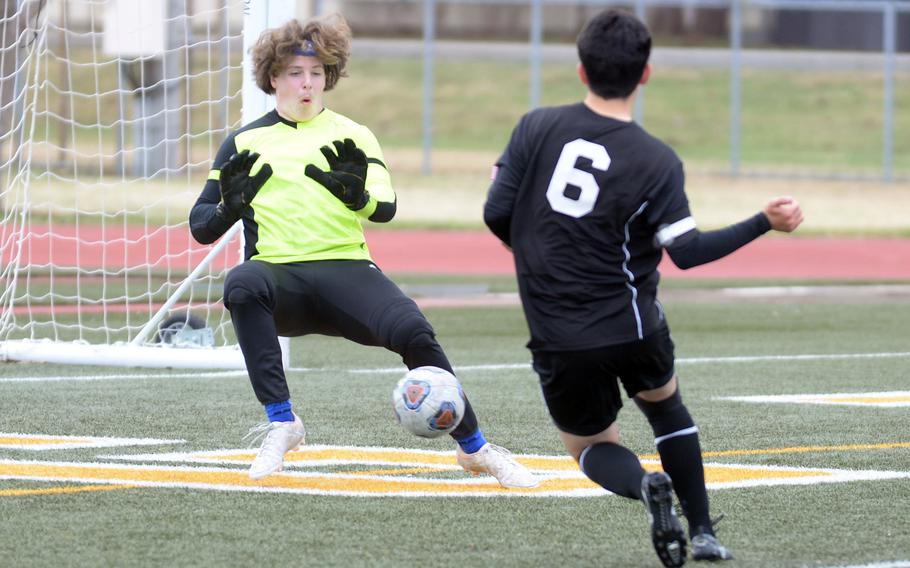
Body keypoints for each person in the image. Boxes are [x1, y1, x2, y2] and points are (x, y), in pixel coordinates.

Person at [483, 9, 803, 567]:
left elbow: (496, 213)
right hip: (633, 325)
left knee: (589, 447)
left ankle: (645, 488)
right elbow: (688, 252)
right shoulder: (656, 159)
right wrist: (763, 222)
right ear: (646, 74)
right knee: (666, 408)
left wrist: (533, 245)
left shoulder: (535, 127)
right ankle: (702, 530)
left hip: (559, 333)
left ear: (581, 71)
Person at [189, 14, 536, 489]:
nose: (307, 82)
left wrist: (357, 196)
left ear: (328, 75)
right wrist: (231, 204)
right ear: (273, 77)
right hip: (279, 278)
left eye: (316, 72)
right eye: (294, 72)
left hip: (347, 270)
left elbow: (386, 208)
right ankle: (283, 423)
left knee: (414, 330)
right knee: (242, 282)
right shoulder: (244, 141)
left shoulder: (354, 135)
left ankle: (475, 450)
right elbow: (201, 227)